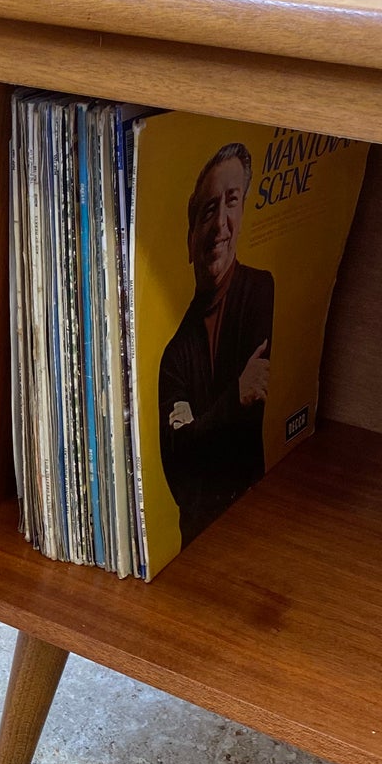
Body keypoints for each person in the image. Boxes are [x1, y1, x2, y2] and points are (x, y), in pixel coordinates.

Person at [158, 141, 274, 547]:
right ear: (191, 236)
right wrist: (234, 397)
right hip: (197, 543)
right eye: (209, 211)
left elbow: (249, 427)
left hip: (255, 523)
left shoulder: (260, 292)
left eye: (232, 202)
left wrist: (203, 425)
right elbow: (179, 466)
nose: (221, 224)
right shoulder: (174, 356)